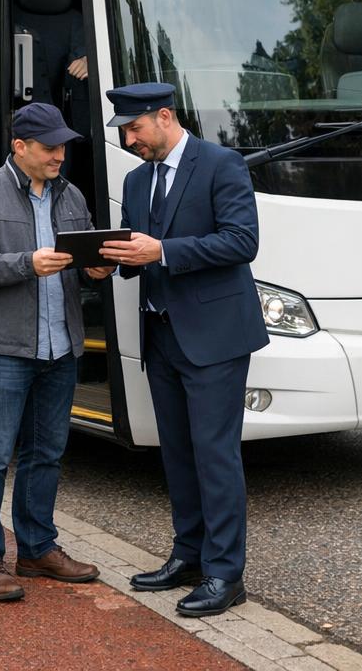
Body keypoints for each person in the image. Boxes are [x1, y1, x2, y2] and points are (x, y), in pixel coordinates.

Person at [95, 82, 269, 618]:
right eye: (125, 131)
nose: (129, 139)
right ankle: (188, 555)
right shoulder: (135, 177)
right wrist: (113, 262)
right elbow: (138, 253)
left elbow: (243, 242)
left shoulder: (222, 164)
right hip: (162, 336)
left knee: (216, 456)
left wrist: (163, 250)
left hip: (214, 337)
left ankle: (225, 574)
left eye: (135, 129)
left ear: (164, 116)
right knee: (178, 454)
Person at [0, 102, 109, 602]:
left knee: (46, 455)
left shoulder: (72, 195)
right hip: (2, 348)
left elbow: (81, 256)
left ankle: (37, 549)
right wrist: (24, 263)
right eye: (50, 146)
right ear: (20, 147)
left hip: (60, 346)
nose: (60, 154)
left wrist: (99, 269)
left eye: (63, 145)